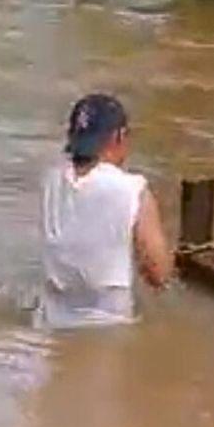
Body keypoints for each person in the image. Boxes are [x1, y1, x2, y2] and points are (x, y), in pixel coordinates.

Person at [38, 94, 174, 329]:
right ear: (118, 137)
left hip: (50, 322)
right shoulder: (132, 189)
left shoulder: (51, 180)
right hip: (108, 327)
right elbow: (158, 274)